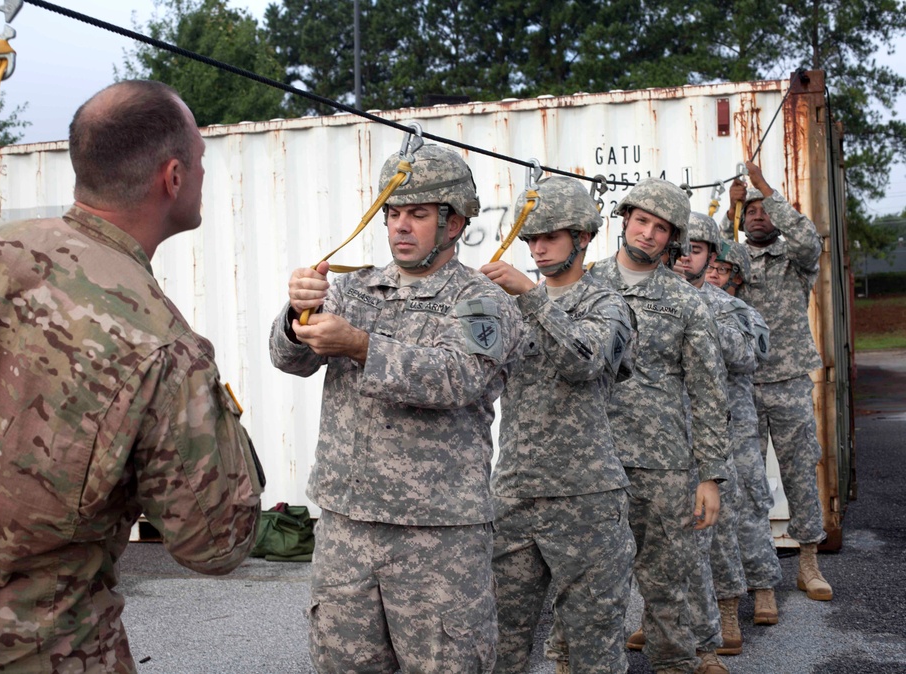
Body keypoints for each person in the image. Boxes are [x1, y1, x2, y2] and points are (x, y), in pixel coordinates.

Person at [0, 80, 265, 673]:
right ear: (173, 177)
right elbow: (217, 542)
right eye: (201, 160)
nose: (202, 173)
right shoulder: (161, 344)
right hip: (50, 654)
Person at [269, 143, 522, 673]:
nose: (402, 226)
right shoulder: (354, 289)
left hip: (437, 535)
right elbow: (289, 360)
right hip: (347, 525)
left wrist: (362, 347)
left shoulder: (482, 300)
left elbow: (461, 377)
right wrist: (296, 310)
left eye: (419, 214)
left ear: (453, 224)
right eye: (394, 214)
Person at [480, 177, 636, 674]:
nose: (539, 248)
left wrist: (529, 295)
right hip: (515, 493)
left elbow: (584, 361)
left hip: (585, 498)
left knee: (594, 647)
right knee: (501, 641)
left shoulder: (608, 305)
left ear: (583, 238)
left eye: (550, 237)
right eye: (531, 239)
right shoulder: (511, 306)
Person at [585, 178, 730, 674]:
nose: (647, 233)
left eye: (660, 228)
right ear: (624, 220)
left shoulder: (687, 302)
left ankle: (679, 662)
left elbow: (709, 391)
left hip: (663, 465)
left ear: (673, 239)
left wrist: (710, 475)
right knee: (589, 580)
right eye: (641, 221)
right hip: (592, 461)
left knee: (670, 580)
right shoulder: (583, 284)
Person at [723, 161, 831, 601]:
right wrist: (726, 213)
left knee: (800, 473)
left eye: (764, 210)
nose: (757, 215)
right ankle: (755, 571)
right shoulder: (733, 260)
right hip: (742, 385)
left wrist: (765, 188)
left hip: (787, 382)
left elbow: (807, 237)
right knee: (744, 481)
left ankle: (809, 563)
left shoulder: (794, 258)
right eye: (750, 211)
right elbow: (702, 260)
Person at [673, 213, 761, 671]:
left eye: (697, 249)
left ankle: (727, 613)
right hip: (662, 431)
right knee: (657, 531)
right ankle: (660, 617)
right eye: (681, 246)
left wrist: (701, 311)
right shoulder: (651, 296)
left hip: (710, 430)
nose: (686, 255)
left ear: (712, 257)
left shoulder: (728, 307)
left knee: (718, 531)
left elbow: (748, 357)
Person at [705, 242, 783, 627]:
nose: (714, 274)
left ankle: (764, 587)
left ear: (737, 277)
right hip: (689, 427)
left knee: (750, 509)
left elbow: (749, 357)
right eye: (710, 266)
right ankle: (711, 602)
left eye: (723, 268)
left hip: (735, 427)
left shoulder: (741, 313)